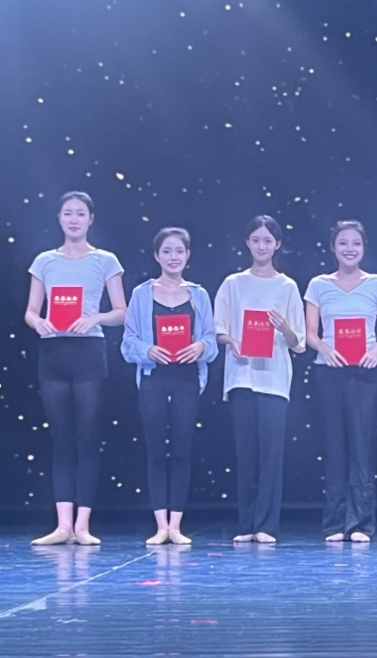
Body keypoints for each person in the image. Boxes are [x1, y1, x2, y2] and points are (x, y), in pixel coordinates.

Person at [24, 191, 126, 545]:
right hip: (53, 352)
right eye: (68, 213)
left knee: (87, 438)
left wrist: (94, 318)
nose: (74, 219)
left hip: (88, 351)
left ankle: (83, 526)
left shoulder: (105, 260)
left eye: (80, 213)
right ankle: (62, 525)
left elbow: (121, 312)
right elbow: (30, 311)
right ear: (59, 218)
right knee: (61, 440)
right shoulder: (44, 261)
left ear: (90, 219)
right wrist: (38, 322)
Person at [122, 227, 218, 545]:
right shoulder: (141, 294)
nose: (173, 257)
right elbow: (127, 343)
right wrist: (147, 350)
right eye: (167, 251)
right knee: (155, 452)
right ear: (157, 255)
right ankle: (160, 525)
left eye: (179, 251)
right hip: (153, 379)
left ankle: (175, 526)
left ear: (188, 255)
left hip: (187, 381)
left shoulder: (199, 295)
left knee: (180, 451)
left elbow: (211, 342)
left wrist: (201, 347)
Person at [214, 215, 306, 544]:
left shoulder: (287, 286)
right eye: (256, 240)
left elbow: (299, 342)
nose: (262, 246)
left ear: (277, 244)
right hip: (241, 377)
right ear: (247, 243)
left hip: (274, 380)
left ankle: (267, 526)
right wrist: (232, 341)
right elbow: (218, 328)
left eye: (268, 240)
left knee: (270, 456)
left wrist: (284, 328)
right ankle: (246, 524)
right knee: (246, 454)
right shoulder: (233, 283)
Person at [305, 221, 377, 543]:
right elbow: (310, 333)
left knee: (362, 445)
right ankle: (333, 523)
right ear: (333, 247)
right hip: (329, 372)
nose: (349, 249)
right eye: (343, 243)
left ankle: (360, 524)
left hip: (365, 372)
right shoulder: (318, 285)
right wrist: (324, 348)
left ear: (364, 247)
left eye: (355, 243)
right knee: (334, 445)